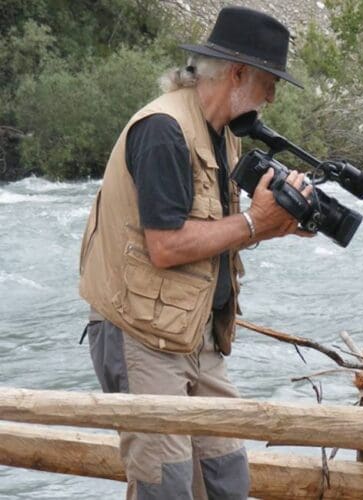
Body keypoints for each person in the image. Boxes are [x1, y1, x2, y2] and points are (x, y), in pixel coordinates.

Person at [78, 6, 311, 499]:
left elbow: (215, 229)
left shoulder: (220, 131)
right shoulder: (163, 130)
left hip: (194, 332)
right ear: (239, 73)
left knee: (228, 476)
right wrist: (254, 223)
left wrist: (278, 224)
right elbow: (165, 247)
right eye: (270, 81)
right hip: (142, 334)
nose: (271, 95)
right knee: (166, 487)